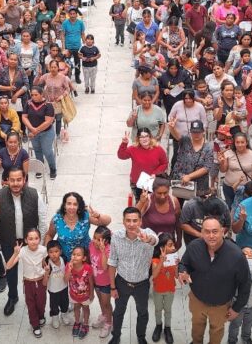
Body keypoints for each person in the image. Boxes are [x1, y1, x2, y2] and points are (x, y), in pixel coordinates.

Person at [178, 216, 251, 344]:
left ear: (223, 231)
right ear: (201, 232)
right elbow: (184, 263)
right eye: (207, 231)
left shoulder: (236, 255)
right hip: (197, 299)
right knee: (196, 326)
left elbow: (245, 284)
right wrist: (182, 271)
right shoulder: (194, 247)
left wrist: (236, 308)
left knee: (216, 330)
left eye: (215, 231)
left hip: (221, 305)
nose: (211, 235)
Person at [0, 168, 48, 316]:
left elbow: (43, 220)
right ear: (7, 181)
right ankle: (12, 297)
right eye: (12, 180)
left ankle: (37, 297)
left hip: (30, 241)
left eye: (19, 179)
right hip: (9, 240)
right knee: (10, 270)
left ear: (24, 180)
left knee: (34, 269)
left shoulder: (34, 194)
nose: (16, 183)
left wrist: (41, 242)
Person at [107, 207, 159, 344]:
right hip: (122, 282)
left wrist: (147, 240)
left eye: (135, 220)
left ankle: (141, 337)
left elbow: (155, 240)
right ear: (123, 221)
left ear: (140, 221)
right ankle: (116, 336)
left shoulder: (148, 234)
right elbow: (112, 262)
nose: (131, 224)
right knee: (118, 312)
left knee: (142, 312)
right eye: (128, 220)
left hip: (142, 284)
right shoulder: (116, 237)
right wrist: (112, 287)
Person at [4, 228, 50, 338]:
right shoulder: (22, 251)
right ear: (25, 240)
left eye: (36, 238)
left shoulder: (43, 250)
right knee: (31, 305)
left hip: (41, 280)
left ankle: (41, 316)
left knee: (41, 303)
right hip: (28, 283)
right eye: (30, 239)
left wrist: (46, 270)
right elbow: (8, 266)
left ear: (39, 239)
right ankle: (35, 325)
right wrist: (15, 253)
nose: (33, 241)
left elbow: (44, 262)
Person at [44, 192, 110, 261]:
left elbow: (107, 221)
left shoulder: (85, 216)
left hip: (84, 257)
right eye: (69, 203)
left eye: (75, 204)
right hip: (64, 258)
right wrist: (47, 253)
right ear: (64, 205)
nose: (72, 207)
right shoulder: (56, 219)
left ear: (79, 206)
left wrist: (98, 216)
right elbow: (49, 235)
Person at [118, 129, 169, 201]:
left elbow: (164, 163)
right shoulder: (133, 149)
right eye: (141, 137)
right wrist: (124, 143)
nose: (144, 139)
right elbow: (121, 156)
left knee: (152, 204)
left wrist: (155, 173)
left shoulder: (158, 149)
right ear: (138, 139)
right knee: (140, 203)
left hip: (152, 182)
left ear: (150, 137)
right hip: (137, 183)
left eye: (146, 136)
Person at [168, 119, 214, 197]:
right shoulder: (185, 140)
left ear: (203, 131)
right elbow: (177, 136)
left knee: (198, 207)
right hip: (181, 180)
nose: (196, 134)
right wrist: (172, 127)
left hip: (199, 185)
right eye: (194, 132)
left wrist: (189, 176)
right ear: (190, 132)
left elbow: (206, 168)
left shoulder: (208, 147)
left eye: (198, 132)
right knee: (178, 204)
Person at [22, 86, 58, 180]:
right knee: (37, 150)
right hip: (32, 131)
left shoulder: (48, 105)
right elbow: (24, 117)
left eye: (36, 95)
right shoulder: (28, 103)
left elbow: (48, 121)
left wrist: (36, 130)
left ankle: (52, 168)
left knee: (47, 151)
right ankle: (40, 168)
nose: (33, 97)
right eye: (32, 95)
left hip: (46, 132)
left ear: (41, 94)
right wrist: (31, 129)